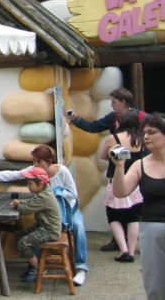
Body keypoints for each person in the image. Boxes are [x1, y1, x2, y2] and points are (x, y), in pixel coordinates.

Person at [0, 145, 89, 286]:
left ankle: (81, 267)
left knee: (78, 227)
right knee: (32, 231)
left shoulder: (62, 171)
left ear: (49, 161)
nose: (35, 165)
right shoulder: (34, 172)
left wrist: (57, 197)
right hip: (47, 214)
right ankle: (37, 265)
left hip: (68, 208)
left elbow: (73, 194)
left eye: (39, 161)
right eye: (34, 161)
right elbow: (14, 174)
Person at [112, 112, 165, 299]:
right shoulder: (140, 164)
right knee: (156, 284)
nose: (146, 137)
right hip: (151, 227)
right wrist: (119, 166)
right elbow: (120, 192)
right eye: (144, 132)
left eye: (152, 132)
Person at [67, 86, 146, 252]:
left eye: (114, 102)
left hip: (134, 169)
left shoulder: (143, 118)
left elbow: (104, 155)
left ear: (124, 102)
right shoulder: (113, 117)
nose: (112, 105)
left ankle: (126, 247)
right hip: (127, 168)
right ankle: (123, 245)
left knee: (121, 211)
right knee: (127, 210)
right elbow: (94, 126)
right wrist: (76, 119)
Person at [97, 110, 144, 263]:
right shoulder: (140, 139)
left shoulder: (113, 138)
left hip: (116, 179)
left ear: (120, 122)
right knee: (133, 217)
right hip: (135, 181)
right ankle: (131, 251)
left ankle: (123, 250)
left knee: (113, 216)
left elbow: (102, 156)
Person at [8, 166, 61, 283]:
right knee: (20, 235)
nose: (28, 186)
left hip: (49, 231)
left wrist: (18, 205)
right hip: (42, 227)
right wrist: (22, 201)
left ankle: (38, 269)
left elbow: (26, 210)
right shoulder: (44, 193)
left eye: (30, 183)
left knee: (23, 243)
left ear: (41, 184)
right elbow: (33, 202)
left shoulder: (44, 197)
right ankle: (33, 263)